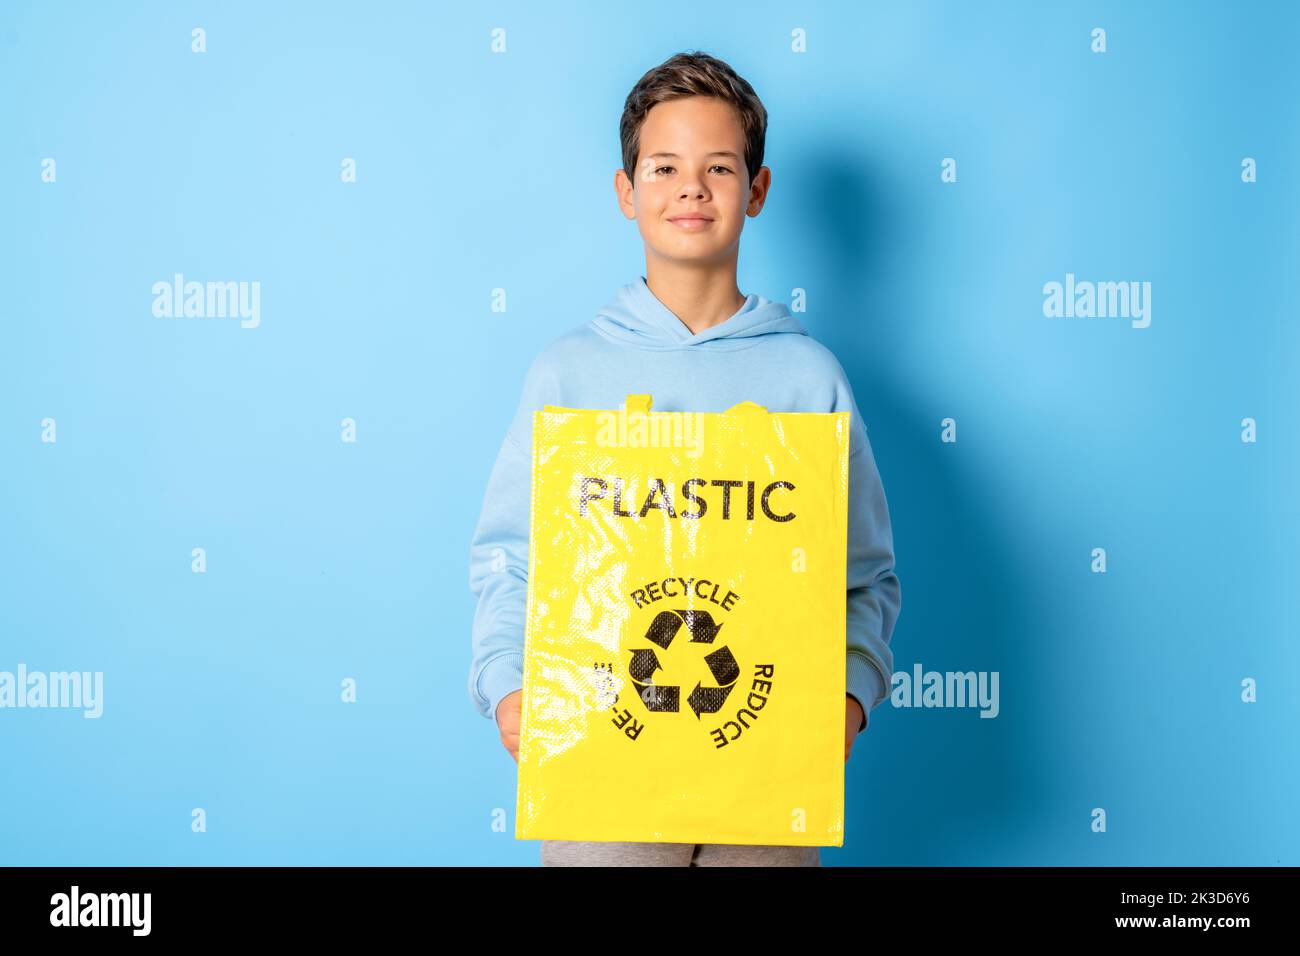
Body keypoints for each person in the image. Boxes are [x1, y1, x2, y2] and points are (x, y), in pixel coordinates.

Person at [467, 50, 901, 866]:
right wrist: (506, 681)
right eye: (664, 167)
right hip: (600, 768)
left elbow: (865, 573)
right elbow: (510, 554)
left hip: (767, 780)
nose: (691, 188)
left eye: (719, 167)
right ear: (627, 191)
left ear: (757, 190)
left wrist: (851, 692)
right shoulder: (568, 371)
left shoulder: (807, 377)